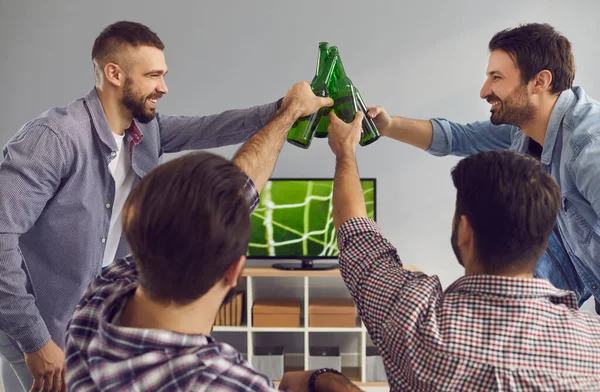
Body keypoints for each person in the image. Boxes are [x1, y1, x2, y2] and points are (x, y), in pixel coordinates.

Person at [0, 20, 287, 392]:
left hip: (90, 319)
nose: (163, 87)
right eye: (153, 76)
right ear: (114, 73)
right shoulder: (55, 138)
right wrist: (35, 340)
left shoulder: (146, 130)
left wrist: (284, 109)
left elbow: (211, 128)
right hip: (39, 327)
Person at [64, 81, 362, 392]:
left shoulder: (97, 302)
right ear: (234, 270)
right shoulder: (225, 383)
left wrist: (290, 113)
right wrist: (326, 378)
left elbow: (230, 196)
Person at [326, 110, 600, 390]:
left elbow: (355, 229)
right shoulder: (592, 345)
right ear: (543, 237)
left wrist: (345, 151)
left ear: (465, 231)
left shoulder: (415, 317)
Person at [367, 23, 600, 312]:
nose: (484, 91)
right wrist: (387, 126)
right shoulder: (524, 130)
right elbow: (457, 137)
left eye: (497, 77)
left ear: (540, 81)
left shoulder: (589, 147)